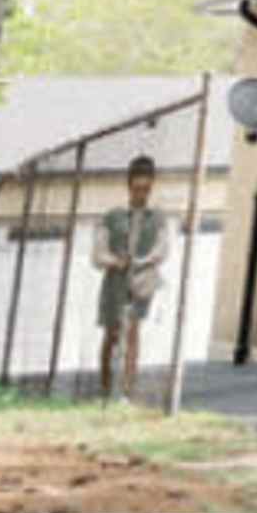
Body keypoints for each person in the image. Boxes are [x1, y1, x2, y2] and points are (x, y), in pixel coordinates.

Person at [90, 155, 170, 402]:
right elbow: (97, 253)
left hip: (140, 282)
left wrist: (143, 261)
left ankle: (127, 389)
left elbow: (162, 250)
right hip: (115, 282)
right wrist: (115, 261)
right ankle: (105, 388)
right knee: (112, 333)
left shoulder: (157, 218)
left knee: (133, 332)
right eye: (137, 189)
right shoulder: (112, 217)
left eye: (146, 189)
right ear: (129, 186)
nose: (141, 194)